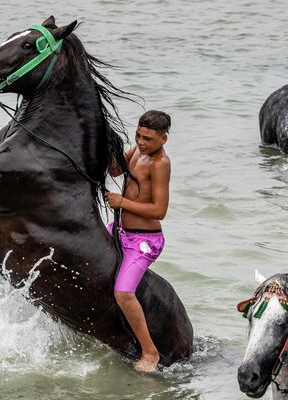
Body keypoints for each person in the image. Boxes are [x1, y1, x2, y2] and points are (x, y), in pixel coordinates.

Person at [104, 110, 171, 372]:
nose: (142, 142)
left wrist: (122, 202)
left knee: (123, 292)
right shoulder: (136, 151)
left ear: (163, 139)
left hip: (144, 241)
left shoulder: (160, 164)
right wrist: (110, 140)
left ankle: (150, 352)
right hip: (120, 230)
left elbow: (159, 210)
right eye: (139, 136)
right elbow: (115, 169)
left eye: (148, 139)